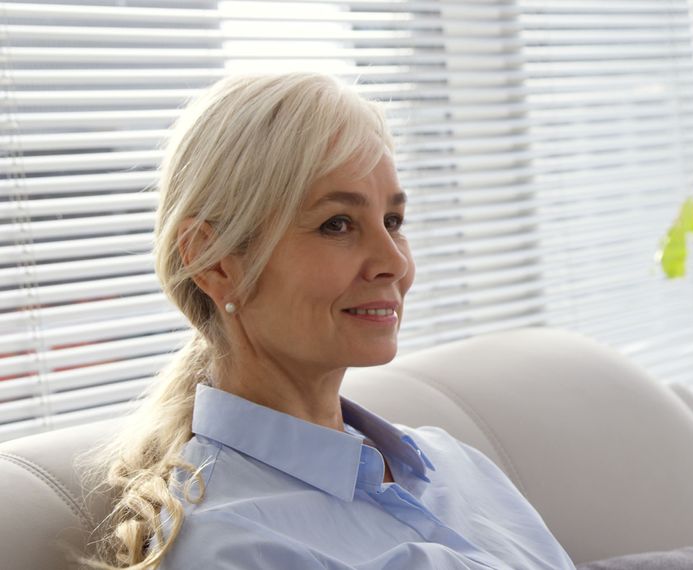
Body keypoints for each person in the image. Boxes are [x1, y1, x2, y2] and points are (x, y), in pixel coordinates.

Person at [80, 72, 576, 570]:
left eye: (393, 222)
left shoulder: (451, 462)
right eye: (337, 224)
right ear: (215, 261)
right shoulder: (235, 547)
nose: (394, 262)